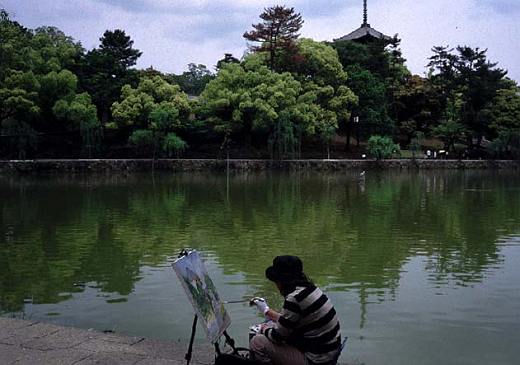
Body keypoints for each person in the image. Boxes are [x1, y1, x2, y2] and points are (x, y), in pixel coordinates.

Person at [249, 255, 341, 365]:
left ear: (282, 281)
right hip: (330, 351)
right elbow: (288, 321)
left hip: (317, 359)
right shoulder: (311, 289)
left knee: (257, 342)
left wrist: (263, 329)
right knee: (271, 323)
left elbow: (277, 337)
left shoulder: (294, 299)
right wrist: (266, 310)